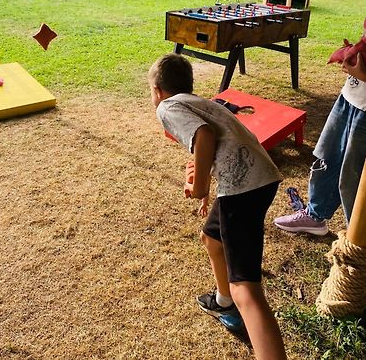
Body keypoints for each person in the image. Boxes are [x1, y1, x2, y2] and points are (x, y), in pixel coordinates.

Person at [148, 53, 287, 360]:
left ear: (158, 91)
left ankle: (236, 301)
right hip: (254, 177)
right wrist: (208, 184)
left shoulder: (168, 107)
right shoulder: (200, 102)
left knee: (247, 289)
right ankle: (224, 301)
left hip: (244, 186)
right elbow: (219, 144)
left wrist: (198, 189)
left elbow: (204, 135)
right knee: (212, 237)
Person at [274, 21, 366, 236]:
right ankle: (315, 216)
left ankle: (357, 239)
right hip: (349, 98)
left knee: (354, 179)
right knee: (326, 160)